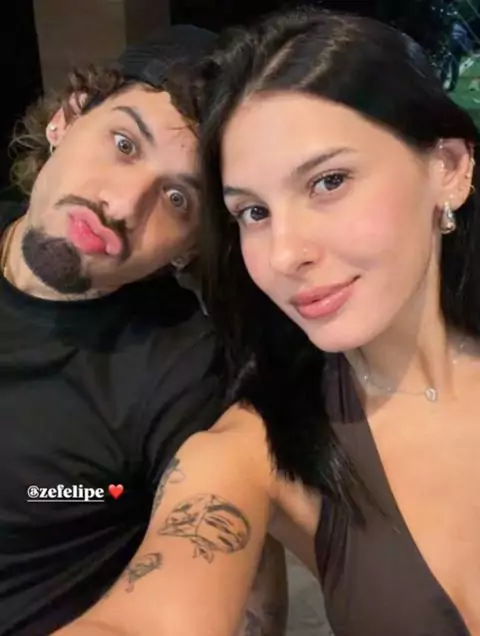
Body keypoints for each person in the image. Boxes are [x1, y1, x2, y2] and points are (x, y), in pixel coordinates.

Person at [56, 8, 480, 636]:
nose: (284, 254)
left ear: (448, 168)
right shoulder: (252, 447)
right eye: (252, 212)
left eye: (328, 181)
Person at [0, 25, 286, 636]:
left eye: (178, 199)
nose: (125, 205)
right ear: (67, 120)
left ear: (189, 249)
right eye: (125, 144)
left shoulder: (184, 371)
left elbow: (243, 593)